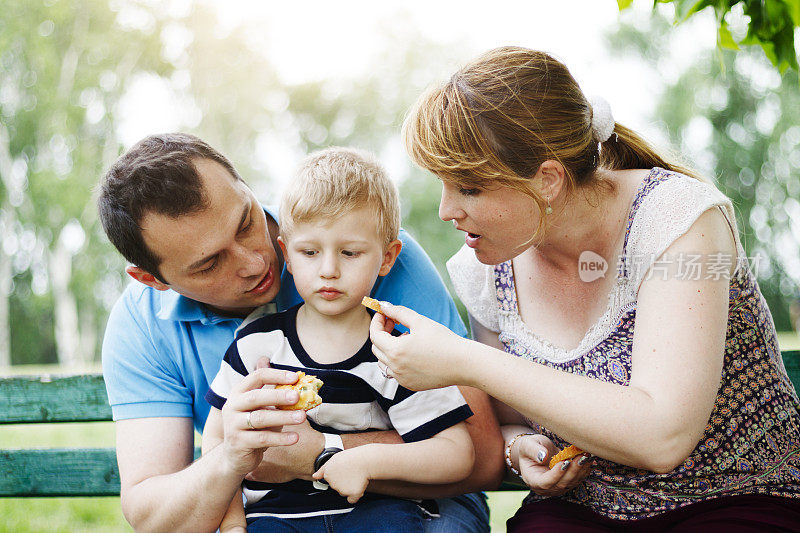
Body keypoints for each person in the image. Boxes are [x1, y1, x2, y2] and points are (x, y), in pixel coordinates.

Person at [369, 47, 800, 530]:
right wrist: (519, 450)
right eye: (444, 185)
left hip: (737, 497)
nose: (447, 210)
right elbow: (513, 419)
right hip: (585, 510)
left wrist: (463, 360)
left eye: (469, 188)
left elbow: (663, 437)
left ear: (548, 181)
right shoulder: (486, 266)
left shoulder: (677, 220)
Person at [97, 133, 503, 533]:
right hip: (274, 512)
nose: (256, 262)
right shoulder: (142, 326)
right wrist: (231, 461)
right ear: (151, 278)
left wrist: (320, 455)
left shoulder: (363, 247)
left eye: (245, 223)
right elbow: (153, 515)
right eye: (209, 264)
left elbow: (481, 457)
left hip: (416, 503)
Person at [203, 147, 476, 532]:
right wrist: (233, 526)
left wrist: (365, 460)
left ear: (387, 257)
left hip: (377, 510)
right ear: (287, 254)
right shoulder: (256, 345)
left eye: (350, 252)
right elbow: (219, 442)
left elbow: (456, 452)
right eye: (310, 252)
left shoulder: (396, 351)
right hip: (278, 517)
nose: (328, 270)